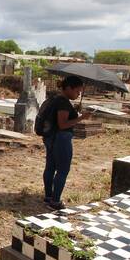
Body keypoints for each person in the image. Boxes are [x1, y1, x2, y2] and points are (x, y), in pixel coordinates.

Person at [43, 75, 92, 210]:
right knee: (63, 170)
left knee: (50, 167)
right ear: (69, 88)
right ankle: (55, 201)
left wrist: (74, 112)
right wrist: (81, 118)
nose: (78, 94)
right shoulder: (63, 102)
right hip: (61, 139)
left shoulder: (57, 99)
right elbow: (63, 124)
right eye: (77, 91)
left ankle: (48, 197)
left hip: (51, 138)